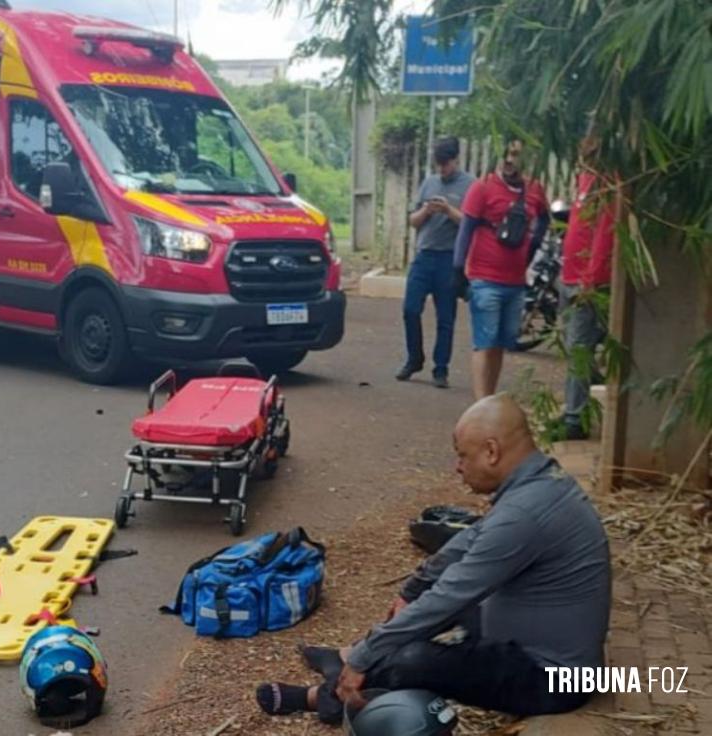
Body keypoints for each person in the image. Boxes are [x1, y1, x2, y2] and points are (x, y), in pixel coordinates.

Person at [255, 394, 611, 724]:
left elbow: (450, 595)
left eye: (462, 456)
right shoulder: (542, 482)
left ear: (491, 451)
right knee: (424, 611)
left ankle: (323, 697)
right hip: (532, 641)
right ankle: (348, 657)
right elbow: (470, 541)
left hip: (555, 679)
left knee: (417, 658)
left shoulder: (524, 513)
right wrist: (413, 589)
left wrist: (373, 651)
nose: (458, 467)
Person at [453, 140, 550, 399]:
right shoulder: (483, 187)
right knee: (484, 343)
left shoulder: (534, 189)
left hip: (515, 281)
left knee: (500, 343)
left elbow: (544, 217)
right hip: (485, 278)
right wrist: (458, 269)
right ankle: (481, 405)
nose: (508, 160)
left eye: (515, 155)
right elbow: (466, 229)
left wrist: (532, 249)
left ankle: (489, 399)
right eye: (505, 154)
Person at [396, 137, 475, 389]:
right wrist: (427, 211)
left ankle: (441, 368)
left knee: (445, 317)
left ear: (456, 160)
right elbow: (413, 221)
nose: (442, 169)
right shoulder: (429, 182)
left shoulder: (469, 185)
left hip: (448, 258)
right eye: (439, 165)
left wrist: (449, 210)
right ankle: (414, 358)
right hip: (424, 255)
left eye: (446, 164)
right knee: (410, 310)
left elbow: (470, 223)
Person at [556, 137, 615, 441]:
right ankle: (579, 403)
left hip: (585, 282)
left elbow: (605, 234)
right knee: (573, 347)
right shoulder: (585, 179)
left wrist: (590, 281)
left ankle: (574, 418)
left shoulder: (608, 182)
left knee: (579, 348)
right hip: (570, 275)